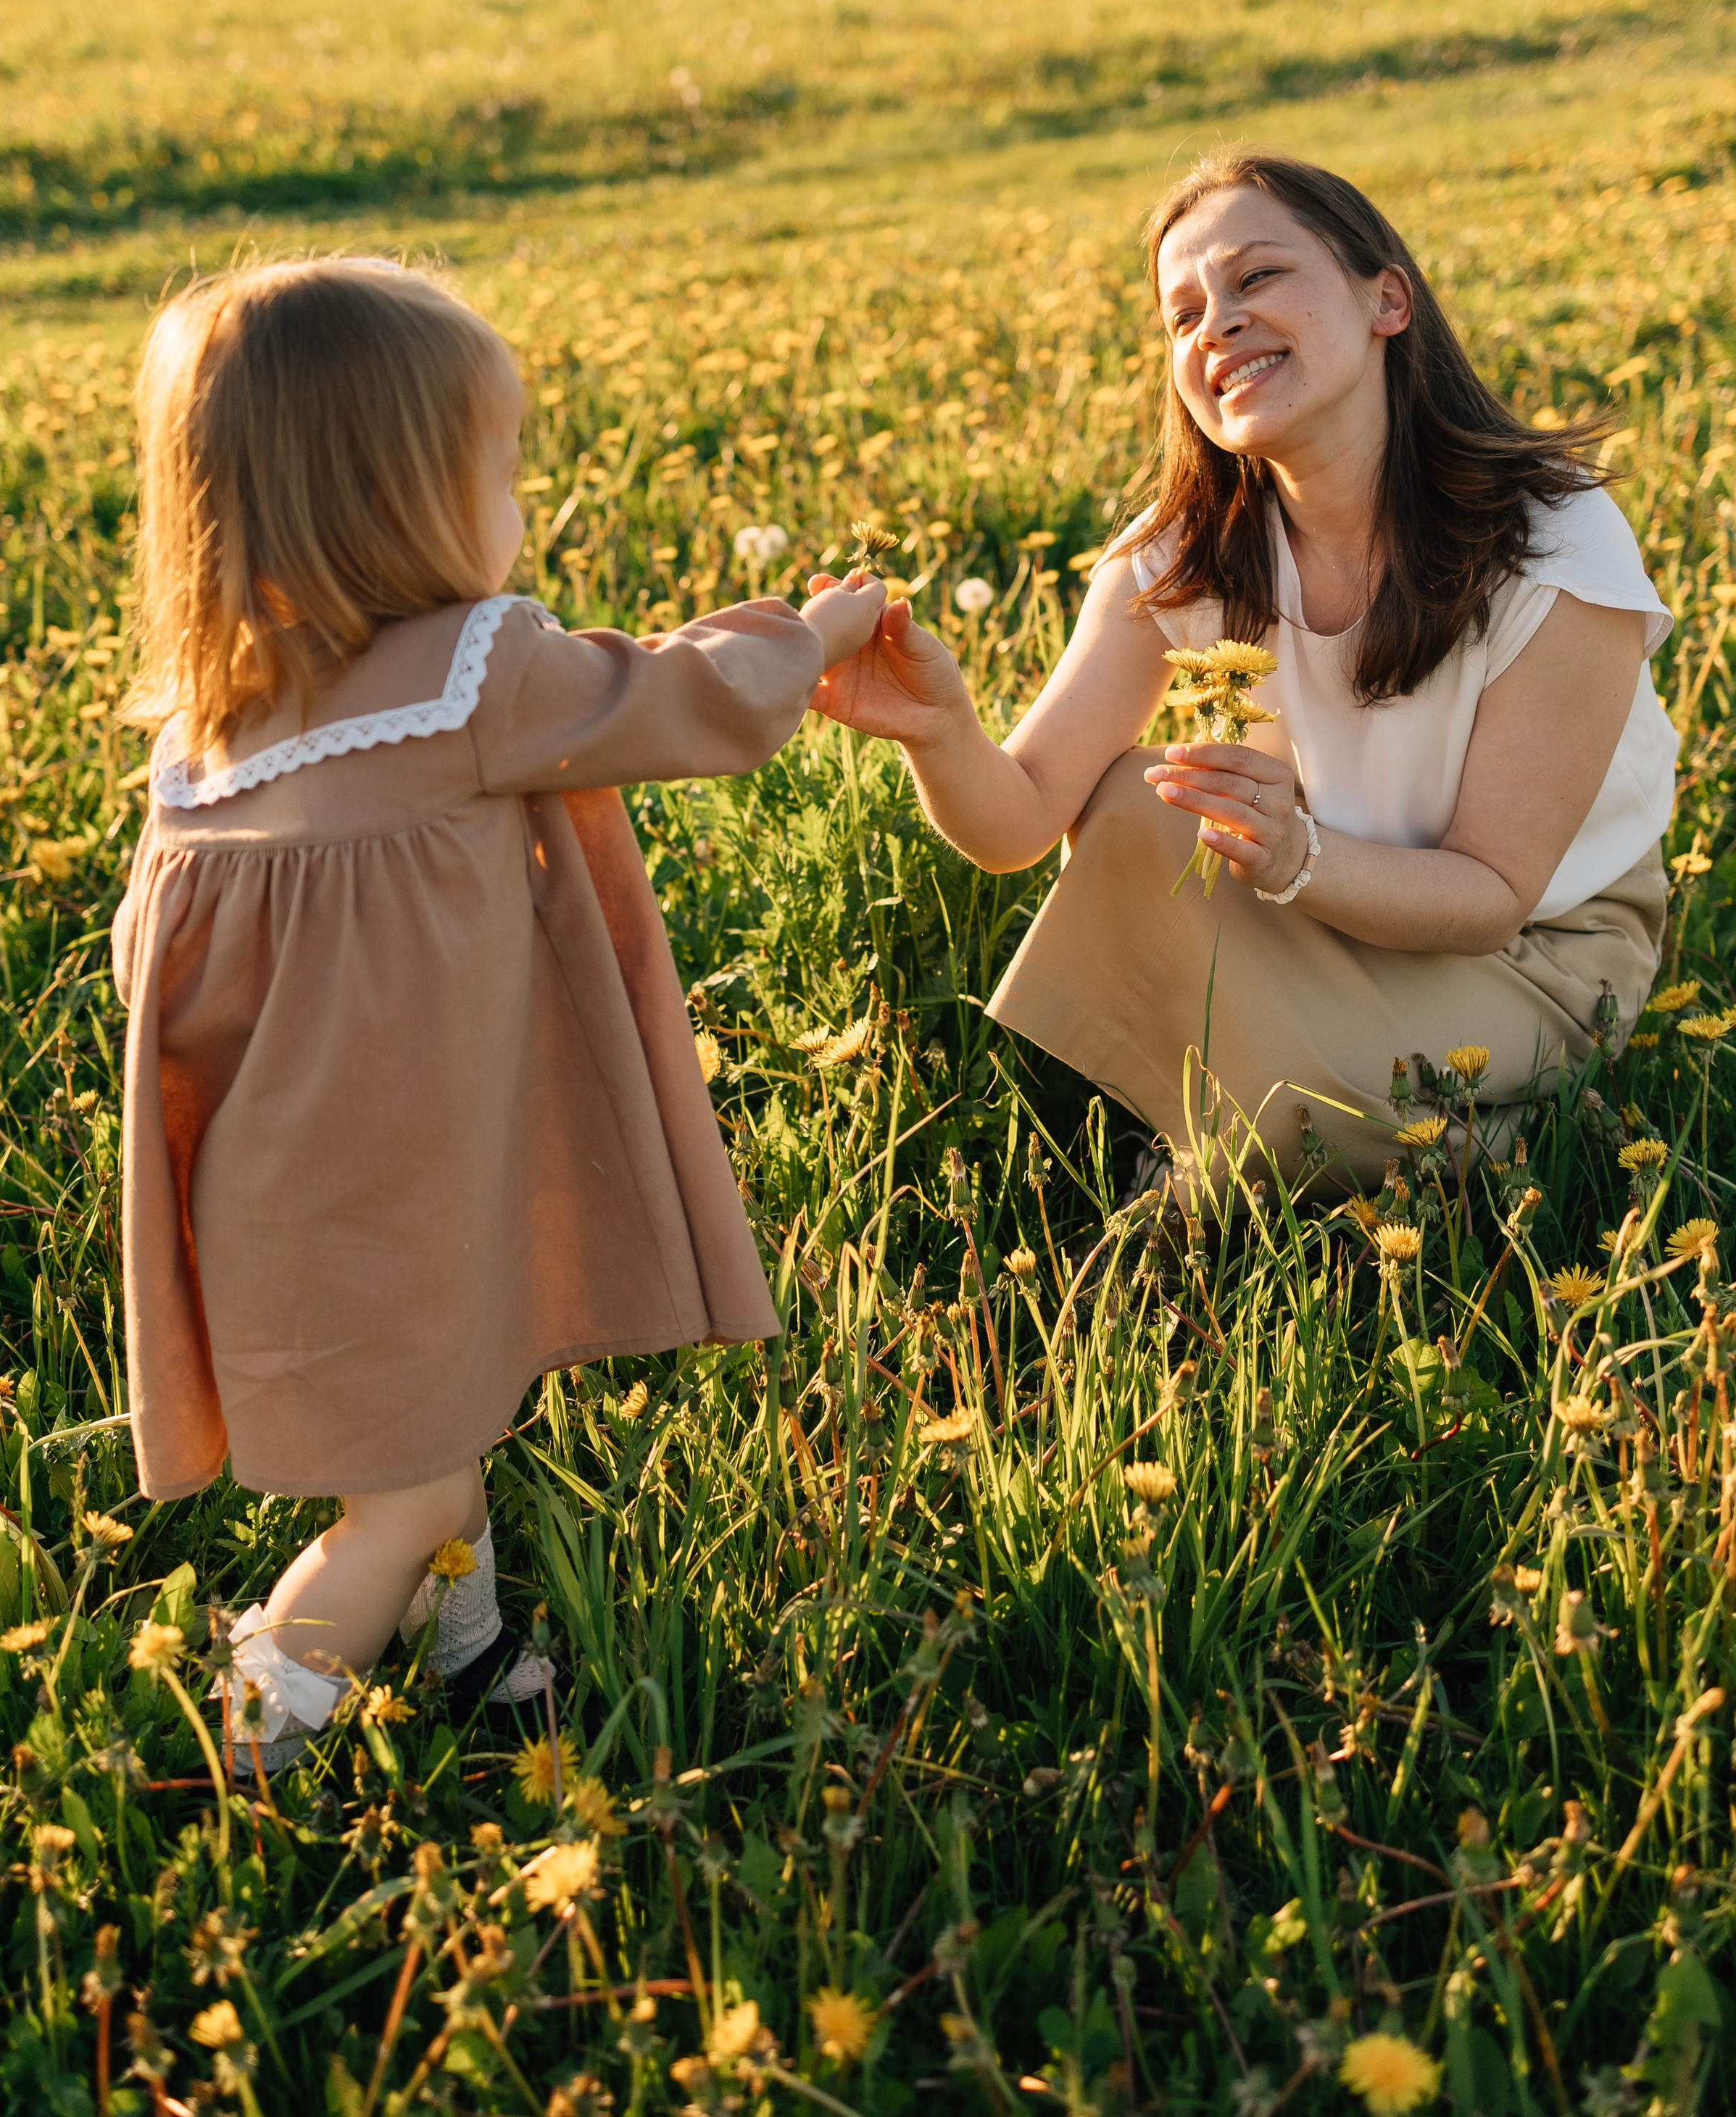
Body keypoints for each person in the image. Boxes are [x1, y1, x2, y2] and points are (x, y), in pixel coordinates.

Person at [113, 258, 883, 1765]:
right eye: (499, 466)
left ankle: (469, 1659)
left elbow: (158, 981)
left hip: (273, 1198)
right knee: (399, 1495)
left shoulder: (212, 739)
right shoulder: (473, 675)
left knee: (440, 1423)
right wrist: (816, 630)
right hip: (406, 1185)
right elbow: (681, 701)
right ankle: (259, 1734)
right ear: (404, 495)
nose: (518, 498)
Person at [809, 150, 1677, 1184]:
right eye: (1182, 315)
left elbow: (1492, 889)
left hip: (1537, 951)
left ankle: (1413, 1144)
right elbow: (1021, 819)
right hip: (1319, 913)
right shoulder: (1180, 556)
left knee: (1288, 1122)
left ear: (1386, 300)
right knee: (1140, 803)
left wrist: (1296, 856)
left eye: (1258, 278)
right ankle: (1336, 1135)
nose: (1215, 324)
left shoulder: (1553, 543)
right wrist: (940, 730)